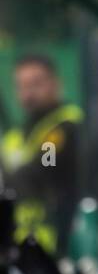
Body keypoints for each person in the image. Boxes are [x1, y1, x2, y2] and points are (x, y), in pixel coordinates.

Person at [1, 54, 83, 256]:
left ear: (56, 84)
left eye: (36, 83)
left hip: (55, 242)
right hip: (20, 241)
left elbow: (46, 167)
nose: (29, 93)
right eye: (22, 86)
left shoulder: (64, 126)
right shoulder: (17, 135)